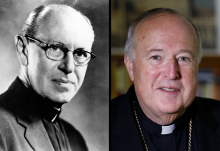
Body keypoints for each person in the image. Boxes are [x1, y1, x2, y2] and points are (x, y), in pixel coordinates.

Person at [111, 8, 220, 151]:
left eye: (183, 58)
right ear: (130, 66)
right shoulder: (98, 127)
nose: (172, 73)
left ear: (197, 66)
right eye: (156, 57)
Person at [0, 3, 95, 151]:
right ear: (23, 50)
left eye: (80, 53)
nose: (69, 67)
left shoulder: (75, 140)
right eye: (55, 48)